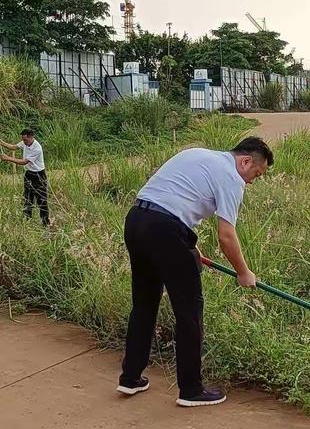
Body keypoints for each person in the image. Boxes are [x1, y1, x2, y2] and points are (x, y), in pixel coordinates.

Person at [117, 137, 273, 407]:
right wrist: (244, 272)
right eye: (256, 175)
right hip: (165, 230)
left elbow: (174, 201)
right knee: (189, 312)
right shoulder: (232, 177)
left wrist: (189, 247)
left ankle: (130, 378)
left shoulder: (199, 154)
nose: (250, 182)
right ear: (246, 161)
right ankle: (191, 390)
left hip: (137, 221)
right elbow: (226, 236)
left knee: (143, 305)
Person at [0, 129, 50, 226]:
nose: (24, 142)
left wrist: (8, 158)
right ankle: (27, 221)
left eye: (25, 140)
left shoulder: (37, 148)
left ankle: (45, 223)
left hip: (39, 175)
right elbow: (14, 147)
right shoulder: (24, 142)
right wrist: (2, 143)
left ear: (31, 137)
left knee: (41, 200)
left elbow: (24, 162)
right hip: (29, 174)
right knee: (27, 198)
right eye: (23, 140)